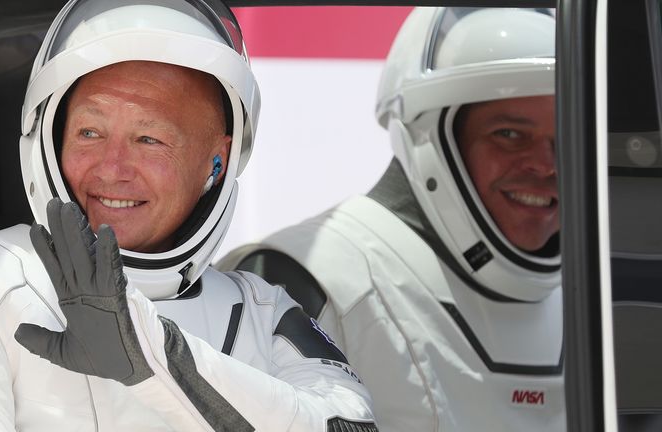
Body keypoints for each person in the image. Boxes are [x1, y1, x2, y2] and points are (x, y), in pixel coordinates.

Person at [0, 0, 378, 430]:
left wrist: (154, 357)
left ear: (216, 162)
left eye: (150, 139)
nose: (112, 167)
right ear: (49, 138)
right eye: (89, 132)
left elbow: (349, 426)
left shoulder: (264, 312)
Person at [217, 7, 564, 432]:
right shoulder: (302, 279)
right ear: (435, 139)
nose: (547, 165)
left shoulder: (596, 295)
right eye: (510, 135)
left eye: (566, 137)